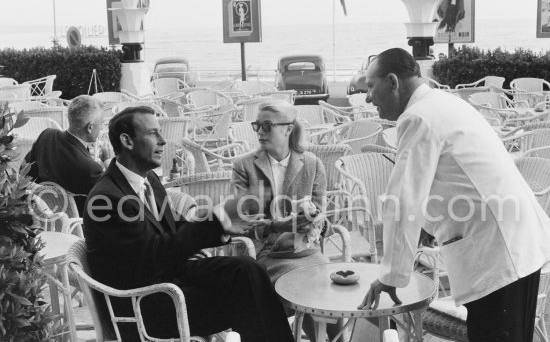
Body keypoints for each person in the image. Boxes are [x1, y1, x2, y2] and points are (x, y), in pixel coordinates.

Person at [358, 47, 550, 342]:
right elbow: (456, 179)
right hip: (518, 242)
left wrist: (390, 276)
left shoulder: (417, 118)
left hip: (497, 252)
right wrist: (426, 228)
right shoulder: (444, 103)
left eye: (370, 86)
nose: (368, 98)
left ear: (393, 81)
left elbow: (404, 201)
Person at [83, 106, 294, 342]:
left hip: (166, 281)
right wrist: (219, 220)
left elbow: (171, 229)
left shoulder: (147, 179)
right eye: (153, 133)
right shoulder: (108, 199)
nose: (163, 141)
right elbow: (153, 254)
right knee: (247, 296)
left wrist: (224, 225)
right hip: (143, 306)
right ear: (127, 141)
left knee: (247, 269)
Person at [230, 100, 342, 342]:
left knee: (329, 285)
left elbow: (323, 222)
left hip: (306, 251)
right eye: (257, 125)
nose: (259, 131)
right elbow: (242, 223)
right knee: (308, 285)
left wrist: (314, 220)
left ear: (288, 129)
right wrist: (281, 225)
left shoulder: (312, 163)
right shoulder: (244, 166)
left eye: (267, 125)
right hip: (265, 253)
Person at [25, 95, 105, 215]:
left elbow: (26, 173)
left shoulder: (46, 136)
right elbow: (115, 198)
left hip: (45, 215)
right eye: (101, 123)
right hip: (79, 225)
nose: (102, 127)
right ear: (90, 127)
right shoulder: (91, 169)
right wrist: (108, 161)